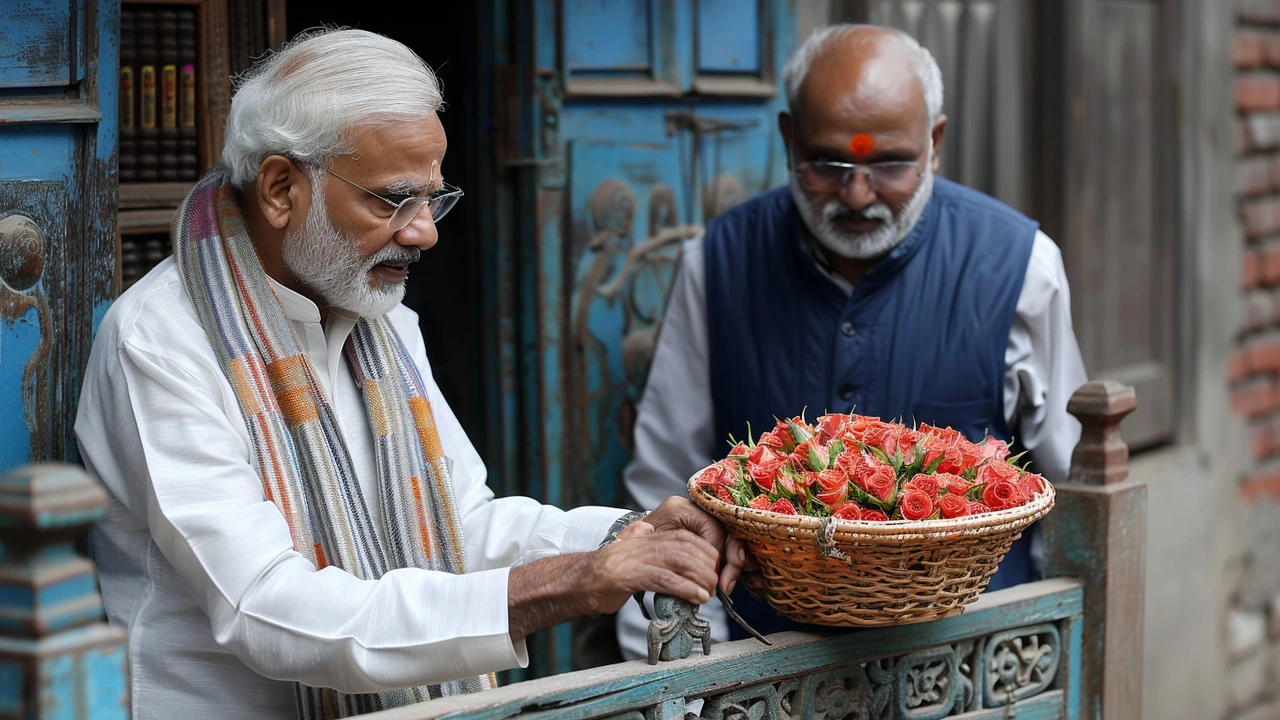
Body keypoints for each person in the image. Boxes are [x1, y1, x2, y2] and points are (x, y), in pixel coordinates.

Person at [75, 29, 744, 719]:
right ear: (280, 188)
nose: (424, 231)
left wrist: (626, 539)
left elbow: (463, 525)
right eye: (393, 200)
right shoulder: (160, 341)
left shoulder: (382, 321)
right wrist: (570, 583)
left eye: (432, 198)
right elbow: (266, 607)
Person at [616, 24, 1088, 661]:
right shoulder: (720, 262)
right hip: (767, 667)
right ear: (788, 141)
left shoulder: (1021, 265)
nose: (858, 194)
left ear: (935, 143)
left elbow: (1072, 483)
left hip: (968, 665)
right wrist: (694, 677)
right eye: (829, 165)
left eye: (889, 164)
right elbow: (663, 485)